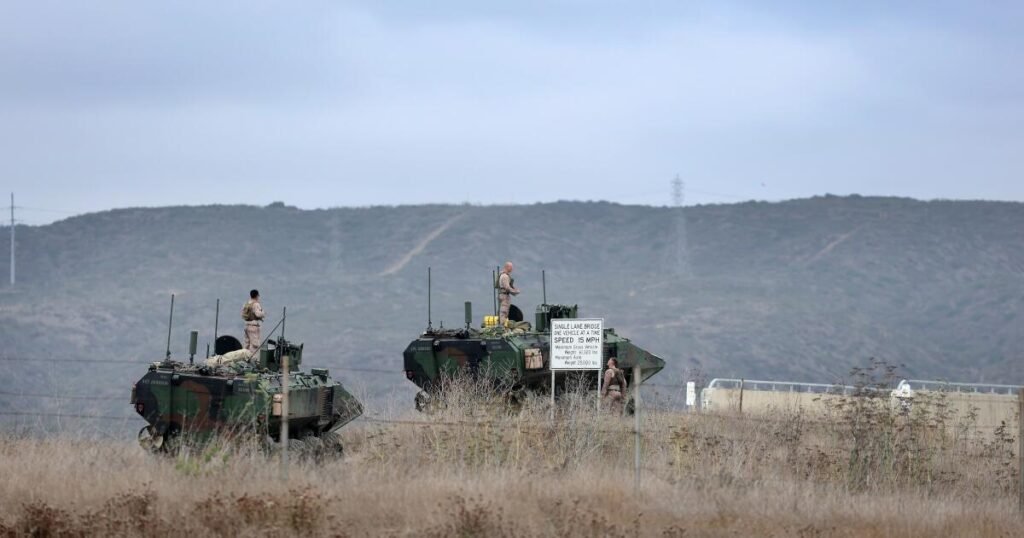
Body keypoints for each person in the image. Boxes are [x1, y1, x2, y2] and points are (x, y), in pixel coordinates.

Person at [496, 261, 520, 325]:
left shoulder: (504, 275)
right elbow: (507, 287)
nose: (512, 269)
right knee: (504, 312)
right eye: (511, 267)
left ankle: (501, 325)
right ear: (507, 267)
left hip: (503, 295)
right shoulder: (505, 276)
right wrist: (515, 291)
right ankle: (502, 327)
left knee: (503, 312)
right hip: (504, 295)